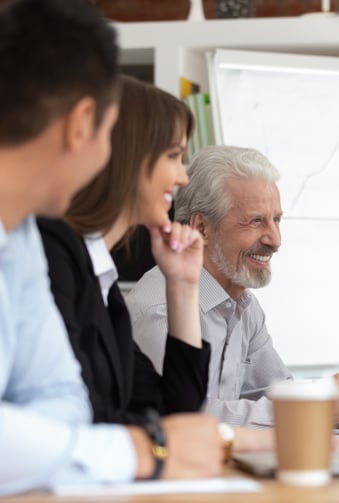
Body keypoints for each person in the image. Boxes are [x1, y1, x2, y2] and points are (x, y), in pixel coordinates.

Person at [0, 0, 222, 495]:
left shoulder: (23, 239)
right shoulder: (55, 246)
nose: (183, 176)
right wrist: (142, 451)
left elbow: (61, 399)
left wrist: (58, 446)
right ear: (82, 124)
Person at [126, 145, 339, 428]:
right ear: (201, 228)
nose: (275, 239)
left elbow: (276, 394)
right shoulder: (161, 310)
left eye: (277, 220)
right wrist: (318, 409)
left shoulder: (243, 305)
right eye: (256, 221)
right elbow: (184, 419)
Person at [36, 75, 209, 425]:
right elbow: (79, 417)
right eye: (173, 156)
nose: (182, 178)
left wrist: (183, 285)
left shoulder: (102, 284)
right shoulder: (52, 254)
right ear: (128, 156)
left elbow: (176, 411)